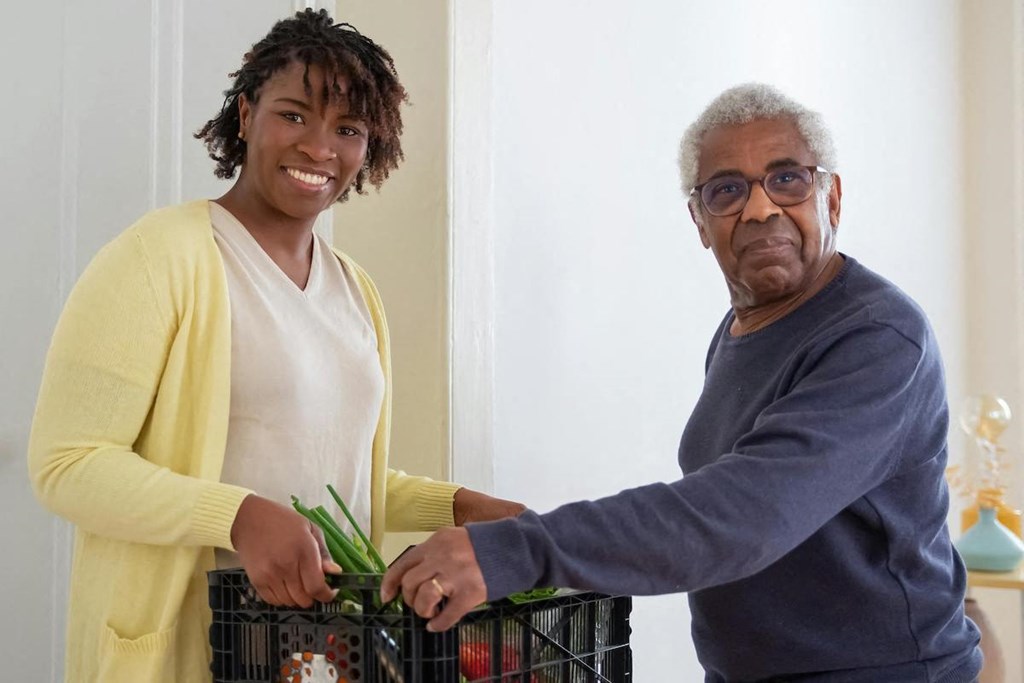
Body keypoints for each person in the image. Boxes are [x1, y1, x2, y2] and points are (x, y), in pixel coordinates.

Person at [381, 83, 983, 682]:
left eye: (787, 179)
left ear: (833, 198)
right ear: (699, 221)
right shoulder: (744, 327)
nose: (760, 209)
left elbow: (746, 511)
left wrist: (520, 550)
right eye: (728, 190)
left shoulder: (877, 337)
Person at [28, 9, 522, 683]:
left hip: (323, 655)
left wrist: (457, 504)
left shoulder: (356, 290)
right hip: (191, 651)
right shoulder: (159, 257)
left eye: (347, 129)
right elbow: (67, 462)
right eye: (294, 115)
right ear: (245, 114)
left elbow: (328, 474)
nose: (320, 148)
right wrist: (236, 517)